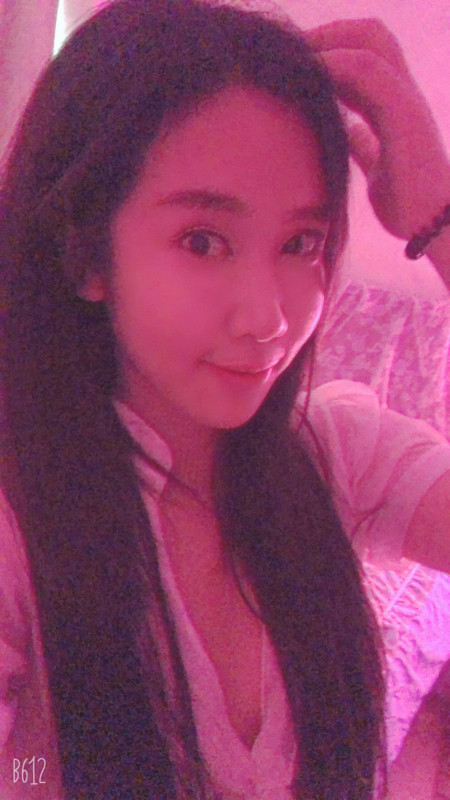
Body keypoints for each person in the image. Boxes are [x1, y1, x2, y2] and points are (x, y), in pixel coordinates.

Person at [0, 0, 449, 798]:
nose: (270, 317)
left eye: (301, 243)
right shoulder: (19, 530)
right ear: (85, 254)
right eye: (203, 241)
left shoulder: (332, 456)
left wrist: (441, 217)